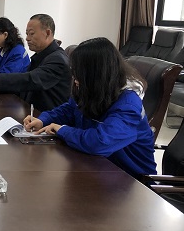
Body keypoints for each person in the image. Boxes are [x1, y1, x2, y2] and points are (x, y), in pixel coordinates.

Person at [24, 37, 156, 177]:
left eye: (79, 73)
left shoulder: (128, 105)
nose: (75, 79)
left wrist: (62, 130)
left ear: (96, 74)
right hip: (96, 167)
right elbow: (70, 109)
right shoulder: (95, 89)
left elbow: (100, 142)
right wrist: (44, 119)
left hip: (131, 179)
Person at [0, 13, 70, 112]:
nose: (27, 38)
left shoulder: (58, 60)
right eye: (27, 34)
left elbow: (30, 80)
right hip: (29, 111)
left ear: (47, 33)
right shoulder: (40, 56)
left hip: (47, 118)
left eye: (32, 34)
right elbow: (24, 85)